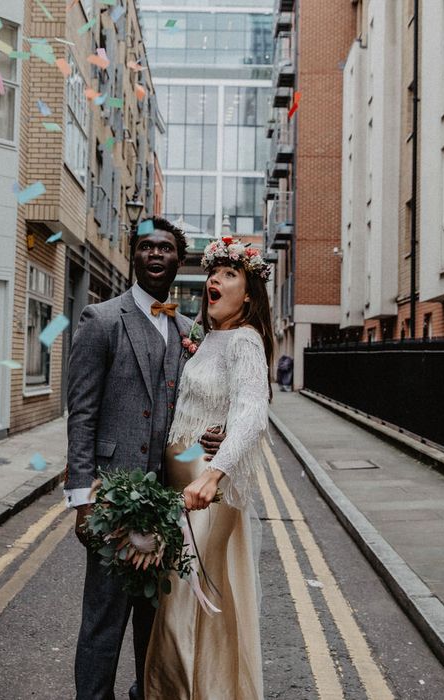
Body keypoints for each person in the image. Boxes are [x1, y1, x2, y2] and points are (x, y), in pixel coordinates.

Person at [65, 217, 223, 700]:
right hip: (113, 499)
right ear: (134, 256)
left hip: (169, 505)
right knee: (103, 623)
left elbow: (185, 420)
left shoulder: (187, 329)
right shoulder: (102, 319)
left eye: (167, 249)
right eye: (148, 247)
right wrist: (82, 498)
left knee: (155, 623)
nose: (157, 255)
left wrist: (210, 441)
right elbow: (82, 413)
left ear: (181, 259)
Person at [145, 236, 274, 700]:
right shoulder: (204, 337)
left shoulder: (245, 341)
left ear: (249, 294)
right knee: (187, 596)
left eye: (229, 274)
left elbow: (252, 412)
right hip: (181, 484)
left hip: (206, 491)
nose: (215, 280)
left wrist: (213, 474)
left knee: (186, 594)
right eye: (213, 273)